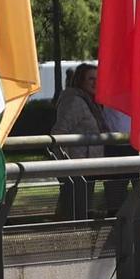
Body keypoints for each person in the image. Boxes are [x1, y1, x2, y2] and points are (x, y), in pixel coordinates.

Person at [52, 62, 107, 220]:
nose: (95, 82)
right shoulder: (74, 101)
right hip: (76, 167)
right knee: (74, 211)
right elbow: (59, 132)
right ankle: (69, 239)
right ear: (80, 80)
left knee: (81, 210)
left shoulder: (91, 102)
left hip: (88, 166)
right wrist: (65, 166)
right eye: (91, 79)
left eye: (98, 78)